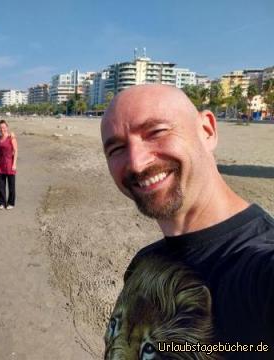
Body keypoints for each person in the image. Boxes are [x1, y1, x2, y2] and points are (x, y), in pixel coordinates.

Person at [100, 84, 274, 359]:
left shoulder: (259, 270)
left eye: (155, 132)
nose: (136, 163)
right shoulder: (145, 266)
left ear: (207, 130)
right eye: (117, 148)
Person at [0, 119, 18, 210]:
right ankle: (2, 203)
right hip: (0, 164)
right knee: (1, 185)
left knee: (11, 185)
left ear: (7, 127)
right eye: (1, 127)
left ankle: (11, 203)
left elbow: (16, 151)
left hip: (10, 163)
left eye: (4, 127)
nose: (2, 129)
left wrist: (14, 164)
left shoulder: (11, 137)